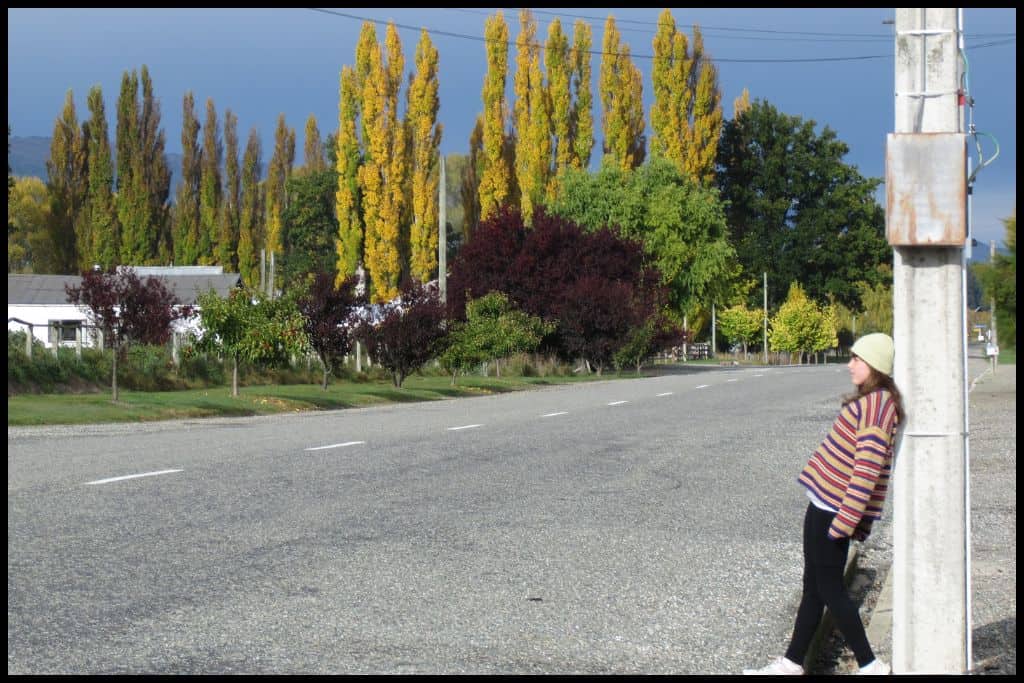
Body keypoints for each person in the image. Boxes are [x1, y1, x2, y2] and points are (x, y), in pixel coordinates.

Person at [743, 333, 904, 676]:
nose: (850, 365)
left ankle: (870, 664)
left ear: (874, 365)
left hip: (834, 510)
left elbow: (866, 471)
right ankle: (791, 663)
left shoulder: (876, 406)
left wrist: (845, 522)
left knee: (829, 588)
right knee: (814, 587)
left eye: (857, 360)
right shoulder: (876, 400)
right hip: (825, 504)